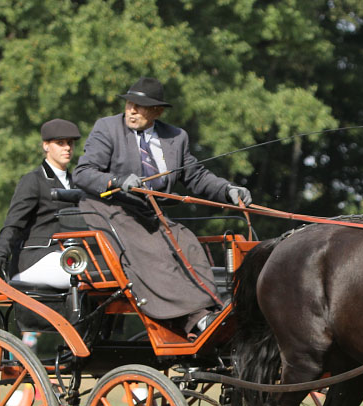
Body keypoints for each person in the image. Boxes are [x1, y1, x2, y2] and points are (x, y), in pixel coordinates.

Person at [73, 77, 252, 336]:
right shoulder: (107, 128)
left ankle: (213, 310)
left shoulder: (176, 137)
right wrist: (117, 181)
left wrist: (227, 190)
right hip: (111, 210)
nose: (132, 110)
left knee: (188, 243)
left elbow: (196, 176)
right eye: (130, 104)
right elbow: (83, 173)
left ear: (157, 111)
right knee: (155, 251)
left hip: (150, 214)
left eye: (140, 106)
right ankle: (196, 318)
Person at [0, 119, 82, 288]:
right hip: (35, 258)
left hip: (69, 256)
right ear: (46, 146)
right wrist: (0, 255)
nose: (67, 148)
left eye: (70, 143)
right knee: (79, 275)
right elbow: (14, 223)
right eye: (60, 143)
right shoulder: (33, 180)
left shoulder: (77, 183)